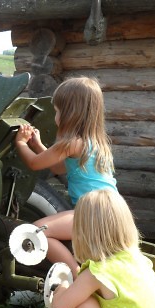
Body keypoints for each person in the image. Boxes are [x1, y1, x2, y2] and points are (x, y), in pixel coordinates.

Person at [14, 76, 117, 277]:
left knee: (37, 232)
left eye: (58, 111)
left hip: (93, 212)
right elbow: (60, 168)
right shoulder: (94, 143)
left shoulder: (70, 143)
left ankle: (75, 274)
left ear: (70, 113)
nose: (55, 117)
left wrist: (21, 144)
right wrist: (37, 145)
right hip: (112, 210)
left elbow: (35, 164)